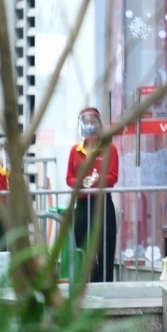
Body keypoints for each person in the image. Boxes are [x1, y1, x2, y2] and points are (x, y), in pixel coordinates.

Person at [66, 107, 120, 282]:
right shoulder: (75, 151)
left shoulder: (109, 149)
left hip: (102, 204)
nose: (89, 125)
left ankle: (105, 288)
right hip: (82, 205)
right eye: (86, 122)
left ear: (99, 124)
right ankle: (85, 288)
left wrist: (96, 180)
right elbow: (69, 178)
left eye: (93, 121)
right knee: (83, 249)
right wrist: (82, 182)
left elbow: (112, 177)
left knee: (105, 249)